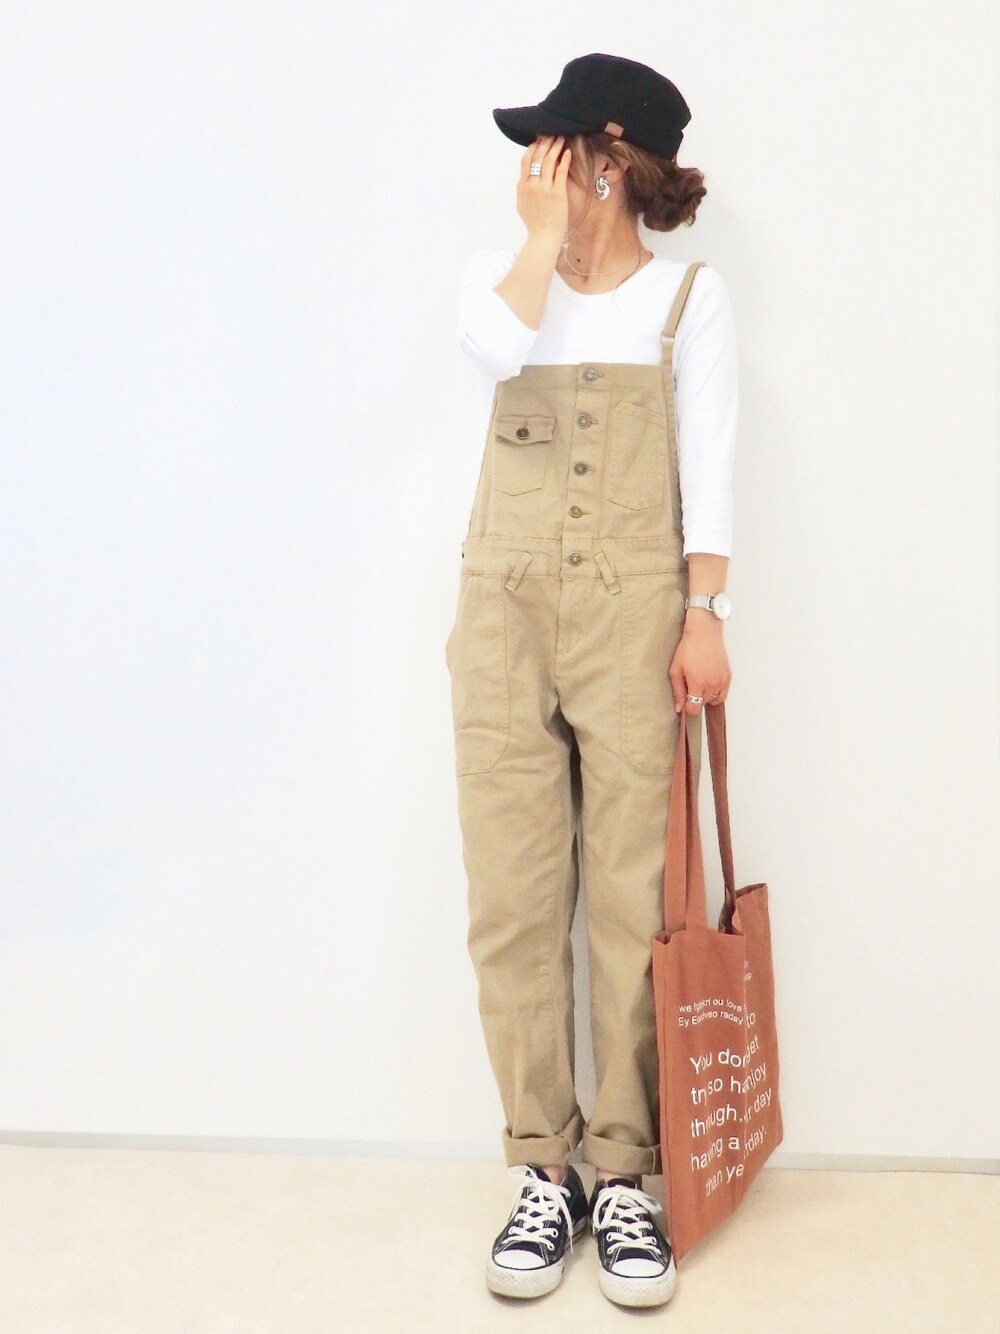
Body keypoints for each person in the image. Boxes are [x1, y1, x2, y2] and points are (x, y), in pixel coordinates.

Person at [444, 54, 737, 1309]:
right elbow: (488, 345)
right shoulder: (501, 279)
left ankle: (621, 1172)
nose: (534, 165)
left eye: (555, 146)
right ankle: (542, 1167)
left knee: (628, 901)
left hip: (635, 613)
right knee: (512, 898)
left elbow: (709, 464)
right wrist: (537, 240)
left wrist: (706, 613)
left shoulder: (686, 299)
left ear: (607, 162)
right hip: (502, 611)